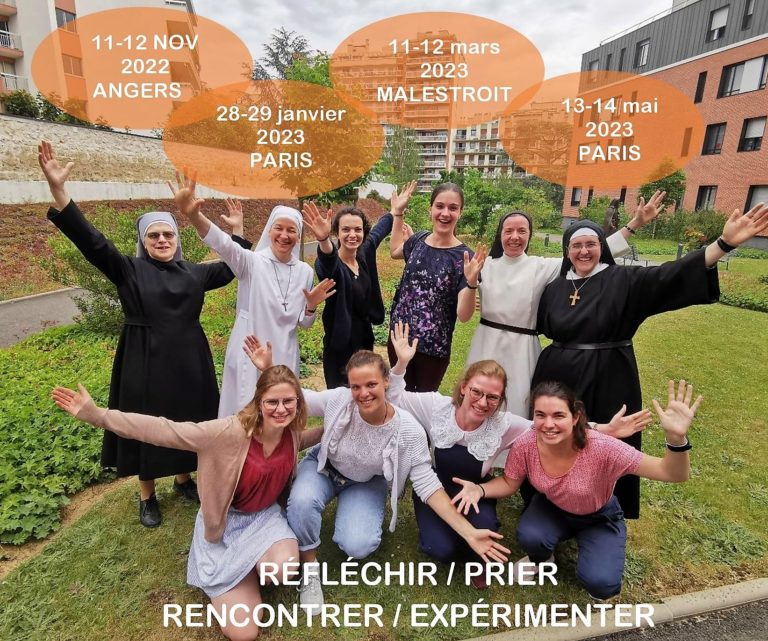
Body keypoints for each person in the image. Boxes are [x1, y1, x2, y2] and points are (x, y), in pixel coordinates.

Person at [38, 141, 250, 528]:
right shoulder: (128, 270)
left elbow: (232, 266)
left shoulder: (194, 272)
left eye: (168, 234)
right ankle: (147, 495)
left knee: (190, 417)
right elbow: (91, 242)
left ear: (177, 238)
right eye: (154, 236)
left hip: (189, 358)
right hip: (144, 358)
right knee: (146, 422)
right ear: (143, 241)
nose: (162, 241)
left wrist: (236, 231)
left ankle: (184, 479)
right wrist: (59, 190)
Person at [532, 203, 768, 518]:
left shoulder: (625, 280)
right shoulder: (554, 288)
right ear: (567, 251)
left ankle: (605, 506)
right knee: (556, 432)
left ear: (602, 247)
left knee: (612, 437)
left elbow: (671, 274)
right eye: (576, 246)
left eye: (591, 244)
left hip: (609, 374)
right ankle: (552, 494)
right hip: (558, 376)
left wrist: (723, 244)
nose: (584, 251)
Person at [52, 367, 321, 641]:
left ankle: (250, 568)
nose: (281, 409)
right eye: (272, 402)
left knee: (283, 569)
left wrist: (340, 426)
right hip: (226, 525)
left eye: (288, 401)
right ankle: (237, 574)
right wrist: (98, 415)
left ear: (298, 402)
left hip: (265, 519)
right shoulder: (227, 433)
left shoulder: (291, 434)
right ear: (259, 401)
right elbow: (164, 430)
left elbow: (307, 439)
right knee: (244, 633)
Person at [241, 337, 509, 610]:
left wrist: (469, 532)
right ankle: (309, 568)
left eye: (371, 385)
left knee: (358, 545)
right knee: (302, 502)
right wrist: (269, 369)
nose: (363, 393)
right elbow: (298, 398)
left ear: (386, 383)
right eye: (356, 386)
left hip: (366, 482)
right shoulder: (339, 400)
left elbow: (429, 486)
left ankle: (334, 518)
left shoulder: (408, 430)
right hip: (325, 468)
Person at [387, 322, 652, 587]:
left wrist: (604, 429)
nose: (482, 402)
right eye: (477, 392)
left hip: (477, 491)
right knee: (440, 550)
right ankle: (451, 536)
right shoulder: (437, 407)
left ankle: (478, 546)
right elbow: (394, 399)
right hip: (435, 488)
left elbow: (547, 428)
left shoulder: (504, 424)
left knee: (483, 538)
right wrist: (401, 364)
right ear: (464, 387)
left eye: (493, 397)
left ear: (501, 399)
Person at [453, 379, 702, 600]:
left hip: (598, 516)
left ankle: (596, 549)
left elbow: (672, 473)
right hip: (552, 507)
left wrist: (676, 439)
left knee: (601, 585)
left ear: (575, 417)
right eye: (540, 415)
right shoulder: (527, 444)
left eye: (558, 415)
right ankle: (543, 559)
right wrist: (479, 490)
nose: (548, 424)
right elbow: (509, 482)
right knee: (531, 536)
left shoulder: (603, 448)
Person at [465, 193, 665, 418]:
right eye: (508, 231)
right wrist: (473, 287)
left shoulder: (540, 267)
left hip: (521, 349)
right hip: (486, 341)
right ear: (500, 234)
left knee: (516, 403)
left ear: (530, 235)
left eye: (522, 231)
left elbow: (588, 251)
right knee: (478, 397)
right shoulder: (485, 265)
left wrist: (634, 224)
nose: (514, 237)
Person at [169, 171, 335, 417]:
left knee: (279, 412)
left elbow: (304, 323)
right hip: (250, 350)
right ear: (269, 231)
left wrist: (310, 307)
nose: (284, 235)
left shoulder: (304, 271)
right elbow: (222, 243)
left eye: (291, 230)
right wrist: (194, 215)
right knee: (246, 412)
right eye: (279, 228)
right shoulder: (251, 262)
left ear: (299, 235)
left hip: (284, 353)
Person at [388, 181, 486, 392]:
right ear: (430, 209)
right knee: (396, 398)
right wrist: (398, 213)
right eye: (439, 206)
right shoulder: (418, 240)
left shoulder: (465, 257)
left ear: (460, 212)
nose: (445, 213)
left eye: (453, 208)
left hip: (433, 350)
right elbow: (395, 250)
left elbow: (464, 315)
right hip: (399, 339)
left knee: (423, 405)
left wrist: (471, 283)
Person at [302, 197, 403, 387]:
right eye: (346, 229)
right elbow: (328, 260)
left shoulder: (363, 254)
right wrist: (323, 240)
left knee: (365, 394)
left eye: (358, 229)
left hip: (364, 341)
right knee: (341, 398)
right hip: (340, 347)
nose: (352, 235)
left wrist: (395, 212)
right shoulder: (334, 267)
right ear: (337, 232)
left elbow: (379, 232)